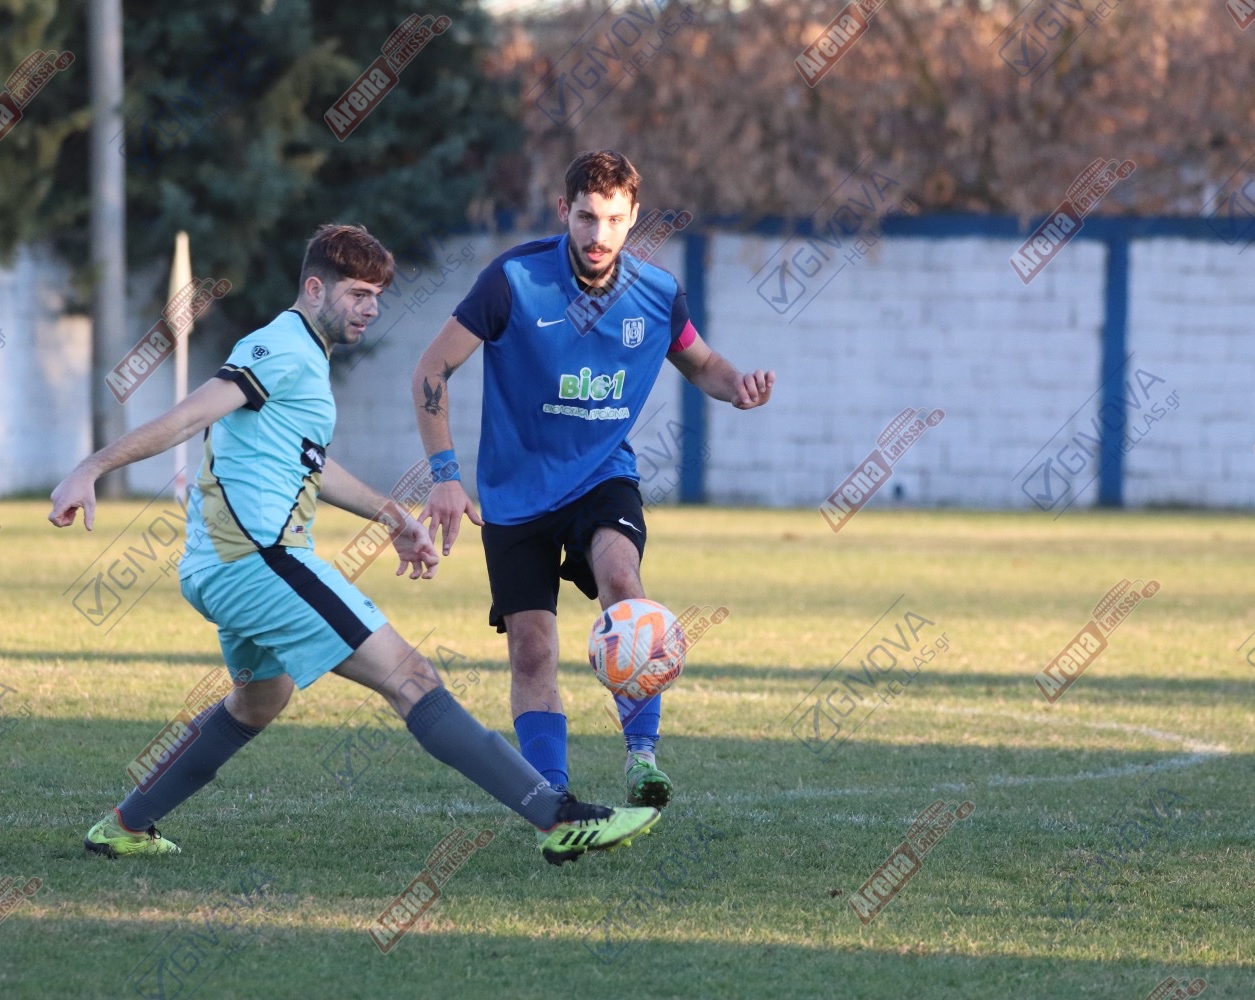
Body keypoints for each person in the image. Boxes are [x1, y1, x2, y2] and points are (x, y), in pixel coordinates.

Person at [48, 223, 658, 866]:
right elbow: (189, 416)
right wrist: (92, 467)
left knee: (260, 698)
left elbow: (310, 463)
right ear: (315, 289)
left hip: (219, 566)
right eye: (358, 294)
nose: (370, 309)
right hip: (260, 561)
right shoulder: (280, 348)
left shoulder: (304, 357)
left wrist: (390, 515)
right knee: (410, 677)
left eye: (377, 296)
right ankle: (556, 818)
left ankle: (125, 826)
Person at [411, 150, 774, 821]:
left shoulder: (657, 293)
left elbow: (702, 364)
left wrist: (739, 387)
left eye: (612, 218)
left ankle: (642, 756)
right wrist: (444, 476)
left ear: (633, 217)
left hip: (602, 478)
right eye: (585, 217)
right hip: (515, 494)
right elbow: (432, 369)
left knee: (624, 586)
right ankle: (552, 796)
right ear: (563, 212)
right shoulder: (513, 280)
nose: (598, 233)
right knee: (532, 650)